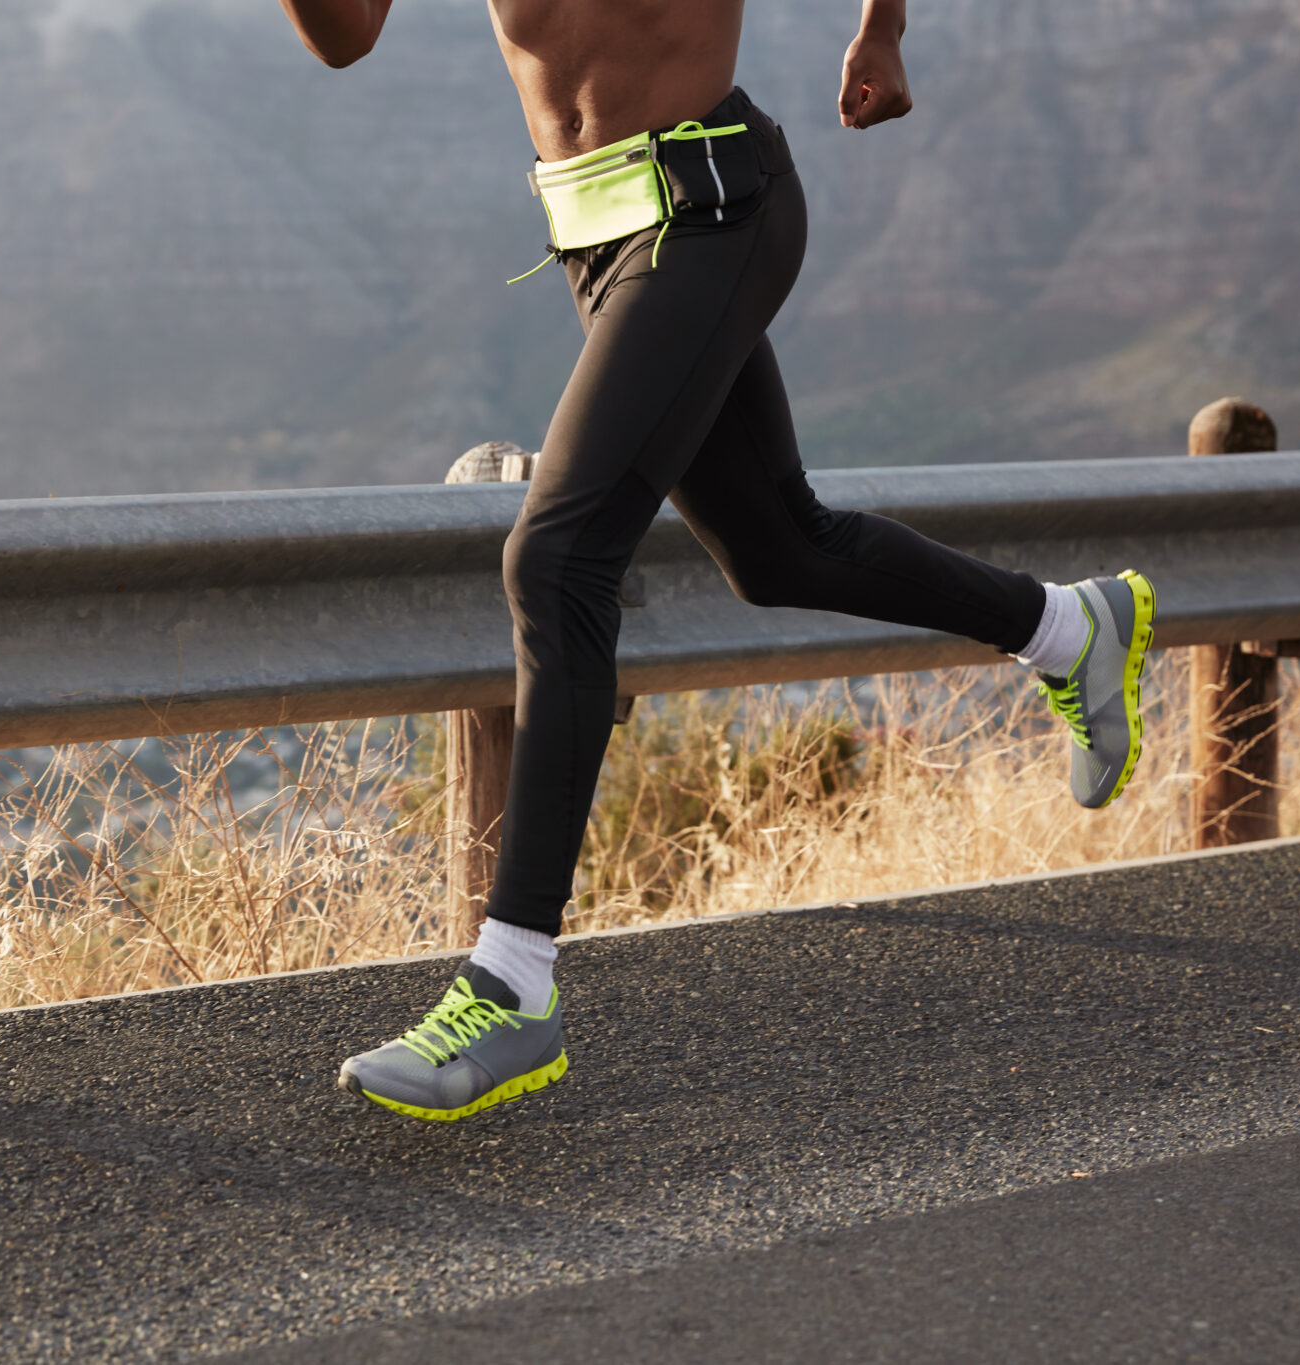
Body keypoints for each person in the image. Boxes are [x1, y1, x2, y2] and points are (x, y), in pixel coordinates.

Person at [275, 0, 1156, 1122]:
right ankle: (1067, 627)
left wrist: (881, 30)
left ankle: (512, 989)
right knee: (776, 547)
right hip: (592, 238)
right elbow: (347, 35)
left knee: (555, 560)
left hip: (711, 208)